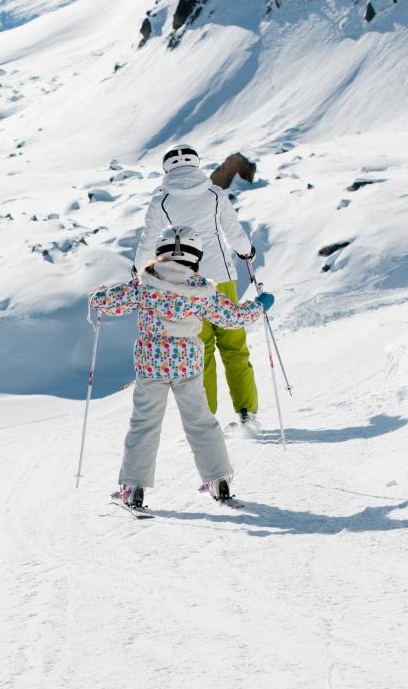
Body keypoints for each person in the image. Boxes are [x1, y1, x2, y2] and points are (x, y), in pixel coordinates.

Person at [90, 226, 274, 510]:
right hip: (188, 365)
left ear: (160, 253)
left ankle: (133, 488)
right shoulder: (202, 290)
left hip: (151, 366)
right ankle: (218, 481)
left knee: (144, 424)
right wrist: (260, 305)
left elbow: (104, 303)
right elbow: (234, 318)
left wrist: (99, 295)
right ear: (195, 257)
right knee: (201, 422)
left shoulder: (144, 283)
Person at [135, 143, 261, 430]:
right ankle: (247, 412)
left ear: (167, 168)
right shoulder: (214, 194)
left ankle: (208, 416)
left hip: (185, 284)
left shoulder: (161, 201)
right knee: (234, 346)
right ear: (196, 164)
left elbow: (149, 241)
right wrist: (247, 251)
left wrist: (139, 269)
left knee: (199, 349)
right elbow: (233, 231)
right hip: (222, 276)